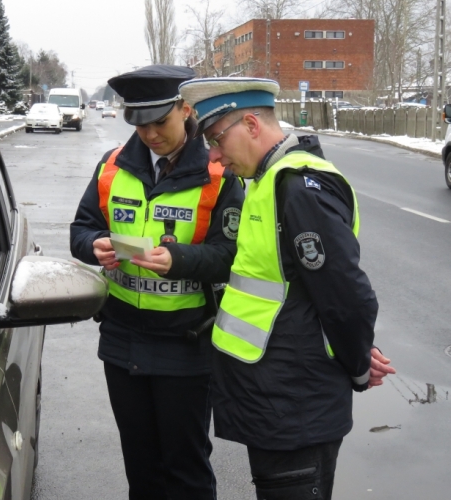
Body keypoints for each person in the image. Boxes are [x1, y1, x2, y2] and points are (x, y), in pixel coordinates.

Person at [179, 77, 396, 500]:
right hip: (277, 399)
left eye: (217, 140)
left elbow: (347, 296)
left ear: (252, 125)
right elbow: (295, 293)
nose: (215, 157)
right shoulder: (264, 182)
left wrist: (355, 362)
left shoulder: (297, 187)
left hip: (296, 404)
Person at [69, 65, 245, 500]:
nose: (149, 134)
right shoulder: (111, 168)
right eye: (138, 123)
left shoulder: (220, 175)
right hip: (122, 340)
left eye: (159, 122)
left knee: (185, 469)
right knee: (141, 466)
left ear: (185, 110)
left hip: (186, 345)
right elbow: (80, 229)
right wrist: (95, 244)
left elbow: (233, 256)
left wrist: (180, 259)